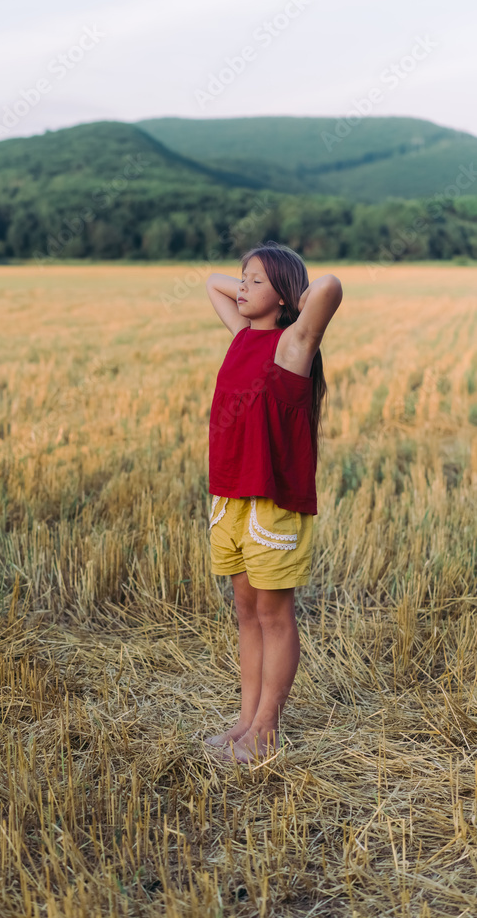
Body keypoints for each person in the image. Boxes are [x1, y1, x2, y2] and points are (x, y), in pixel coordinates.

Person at [203, 241, 342, 764]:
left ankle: (266, 728)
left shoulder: (292, 346)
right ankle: (244, 720)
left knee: (273, 613)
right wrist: (254, 280)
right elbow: (211, 282)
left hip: (273, 501)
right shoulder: (242, 338)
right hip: (230, 496)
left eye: (256, 281)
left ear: (285, 298)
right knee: (245, 611)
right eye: (244, 278)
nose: (240, 286)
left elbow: (330, 288)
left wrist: (293, 292)